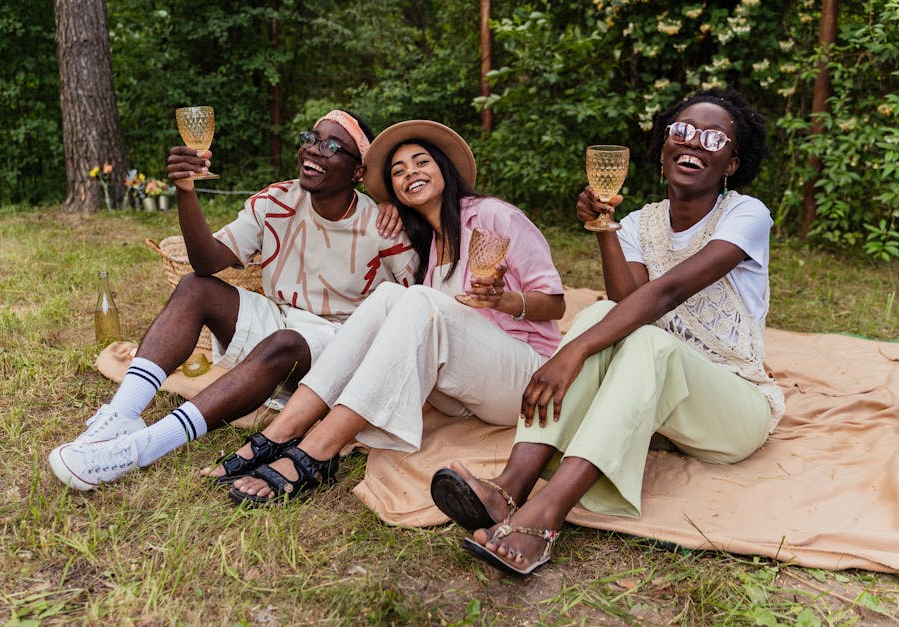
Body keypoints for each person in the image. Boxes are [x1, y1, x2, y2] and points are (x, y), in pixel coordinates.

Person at [430, 88, 785, 576]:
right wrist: (605, 227)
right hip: (663, 402)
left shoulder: (747, 215)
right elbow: (627, 303)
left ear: (731, 163)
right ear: (663, 148)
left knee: (635, 340)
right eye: (681, 131)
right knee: (601, 316)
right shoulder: (640, 223)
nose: (694, 144)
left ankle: (547, 515)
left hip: (733, 408)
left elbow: (664, 295)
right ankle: (511, 486)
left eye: (712, 139)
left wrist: (570, 352)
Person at [199, 120, 566, 506]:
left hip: (524, 380)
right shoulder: (423, 243)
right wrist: (388, 208)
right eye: (399, 171)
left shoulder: (493, 216)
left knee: (416, 301)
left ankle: (317, 451)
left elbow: (554, 302)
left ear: (444, 168)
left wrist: (504, 300)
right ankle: (279, 433)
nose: (412, 174)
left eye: (422, 162)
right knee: (392, 294)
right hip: (459, 393)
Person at [49, 110, 419, 491]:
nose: (313, 149)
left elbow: (412, 312)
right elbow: (207, 261)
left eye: (331, 146)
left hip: (339, 345)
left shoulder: (382, 226)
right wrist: (186, 190)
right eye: (310, 137)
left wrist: (393, 203)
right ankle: (122, 414)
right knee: (196, 286)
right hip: (279, 319)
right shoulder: (277, 200)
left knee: (284, 342)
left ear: (357, 172)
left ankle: (144, 447)